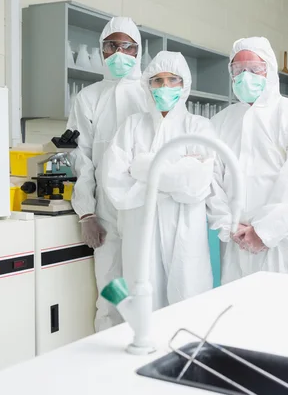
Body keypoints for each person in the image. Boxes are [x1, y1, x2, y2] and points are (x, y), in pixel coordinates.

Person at [207, 37, 288, 285]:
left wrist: (263, 231)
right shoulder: (221, 121)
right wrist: (228, 225)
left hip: (284, 241)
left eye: (254, 69)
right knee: (238, 312)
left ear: (269, 70)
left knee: (283, 313)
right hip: (236, 241)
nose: (245, 76)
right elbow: (211, 179)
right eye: (238, 70)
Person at [102, 51, 214, 309]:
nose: (164, 87)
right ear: (147, 85)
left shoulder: (199, 127)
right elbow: (116, 184)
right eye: (157, 81)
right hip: (140, 230)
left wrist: (142, 169)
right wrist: (174, 177)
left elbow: (197, 183)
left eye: (172, 80)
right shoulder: (131, 126)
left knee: (188, 299)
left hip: (185, 231)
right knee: (143, 301)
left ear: (184, 84)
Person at [68, 17, 148, 332]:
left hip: (146, 208)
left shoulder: (150, 91)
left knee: (145, 287)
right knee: (111, 291)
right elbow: (81, 158)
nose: (119, 53)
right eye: (111, 46)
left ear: (139, 51)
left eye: (127, 46)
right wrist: (86, 213)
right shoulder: (87, 98)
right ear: (102, 51)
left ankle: (147, 353)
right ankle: (107, 361)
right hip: (106, 215)